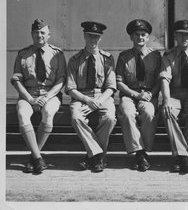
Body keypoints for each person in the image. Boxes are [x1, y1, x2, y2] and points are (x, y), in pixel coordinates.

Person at [11, 19, 66, 174]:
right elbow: (16, 80)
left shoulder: (57, 54)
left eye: (42, 32)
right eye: (36, 32)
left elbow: (61, 79)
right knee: (22, 114)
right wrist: (30, 99)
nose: (39, 35)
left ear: (49, 35)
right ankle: (38, 158)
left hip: (51, 95)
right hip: (29, 95)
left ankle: (33, 158)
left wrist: (46, 97)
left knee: (48, 113)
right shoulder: (23, 54)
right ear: (31, 34)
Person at [65, 21, 117, 173]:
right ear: (84, 36)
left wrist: (98, 102)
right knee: (76, 118)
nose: (93, 40)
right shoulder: (74, 60)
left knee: (109, 117)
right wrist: (87, 101)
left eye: (96, 37)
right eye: (89, 36)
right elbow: (70, 88)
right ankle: (99, 156)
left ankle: (91, 156)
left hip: (102, 96)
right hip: (81, 97)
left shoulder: (107, 59)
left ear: (100, 38)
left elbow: (111, 87)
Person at [159, 20, 188, 174]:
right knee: (168, 112)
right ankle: (185, 156)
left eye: (187, 35)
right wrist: (166, 100)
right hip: (174, 94)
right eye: (180, 35)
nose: (184, 38)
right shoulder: (168, 55)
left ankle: (181, 156)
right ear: (175, 36)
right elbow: (165, 79)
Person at [116, 19, 161, 172]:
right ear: (131, 37)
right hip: (130, 94)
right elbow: (119, 82)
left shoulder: (156, 56)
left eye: (143, 35)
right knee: (128, 114)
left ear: (148, 37)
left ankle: (143, 151)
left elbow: (159, 81)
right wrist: (135, 94)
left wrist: (150, 94)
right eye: (137, 35)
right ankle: (140, 153)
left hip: (148, 94)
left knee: (149, 113)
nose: (140, 38)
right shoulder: (123, 57)